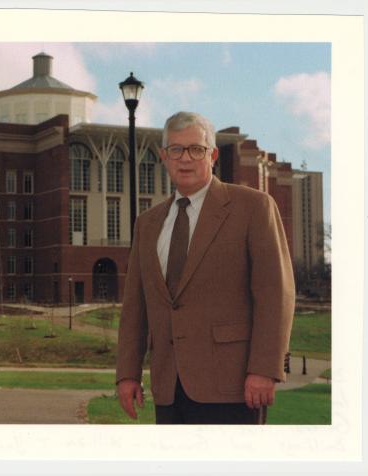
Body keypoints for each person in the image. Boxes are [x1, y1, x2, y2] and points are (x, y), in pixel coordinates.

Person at [116, 111, 294, 424]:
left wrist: (264, 369)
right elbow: (136, 307)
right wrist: (127, 374)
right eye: (176, 150)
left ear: (212, 155)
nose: (186, 159)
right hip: (168, 387)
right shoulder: (147, 224)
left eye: (196, 149)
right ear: (164, 156)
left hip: (235, 386)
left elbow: (275, 294)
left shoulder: (253, 207)